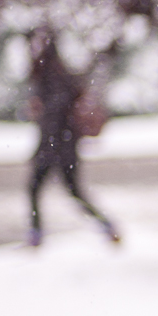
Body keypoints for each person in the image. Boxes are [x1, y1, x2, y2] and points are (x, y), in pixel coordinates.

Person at [26, 32, 120, 247]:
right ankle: (106, 226)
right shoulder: (57, 77)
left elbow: (55, 114)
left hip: (57, 146)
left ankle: (36, 234)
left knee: (46, 190)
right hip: (61, 145)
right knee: (64, 192)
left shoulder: (52, 78)